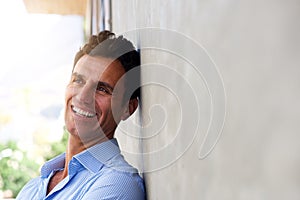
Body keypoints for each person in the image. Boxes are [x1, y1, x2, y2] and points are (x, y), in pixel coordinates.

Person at [16, 31, 145, 200]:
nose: (83, 96)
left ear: (128, 108)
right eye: (78, 81)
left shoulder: (118, 183)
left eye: (102, 89)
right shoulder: (33, 187)